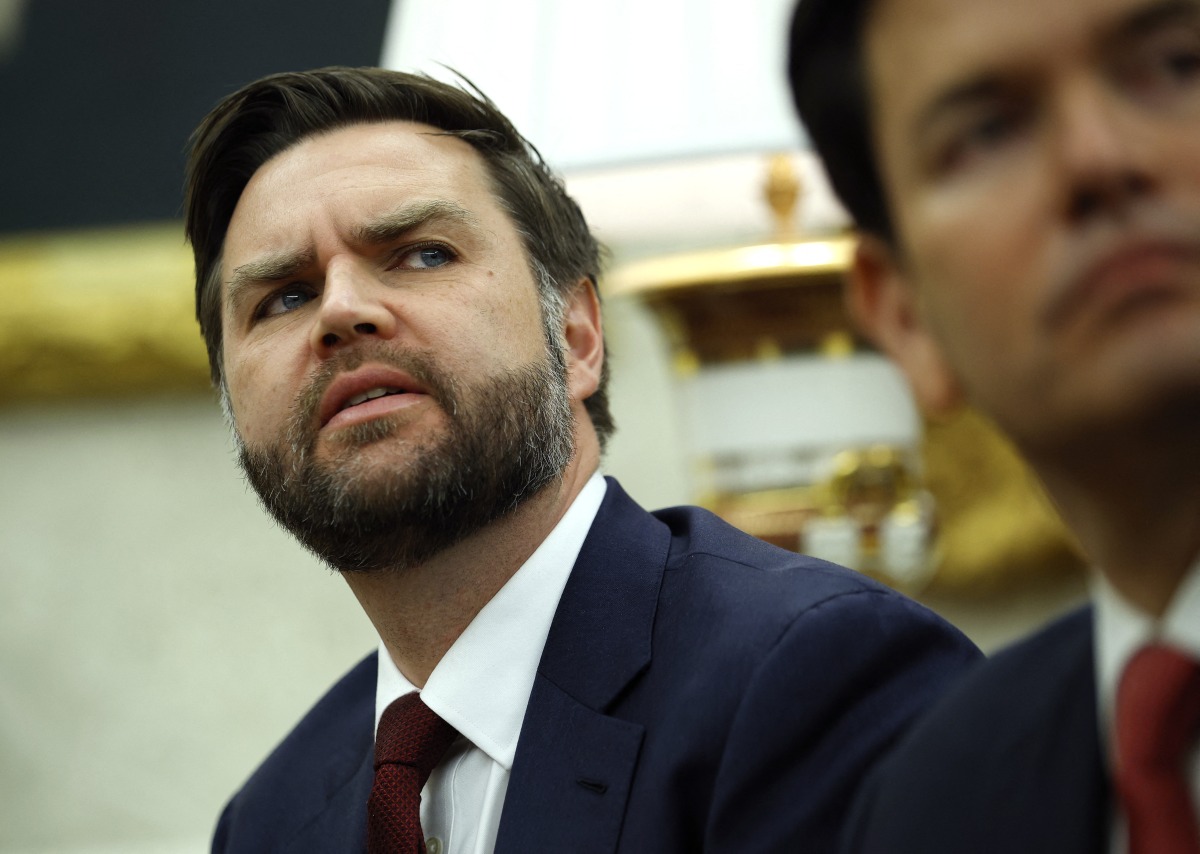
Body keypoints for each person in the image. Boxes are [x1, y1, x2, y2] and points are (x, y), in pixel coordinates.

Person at [184, 66, 978, 854]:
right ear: (233, 406)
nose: (342, 310)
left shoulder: (815, 676)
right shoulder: (269, 821)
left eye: (420, 255)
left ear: (578, 337)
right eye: (283, 297)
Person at [789, 0, 1200, 851]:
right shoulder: (930, 799)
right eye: (985, 133)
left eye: (1179, 65)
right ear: (904, 316)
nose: (1098, 158)